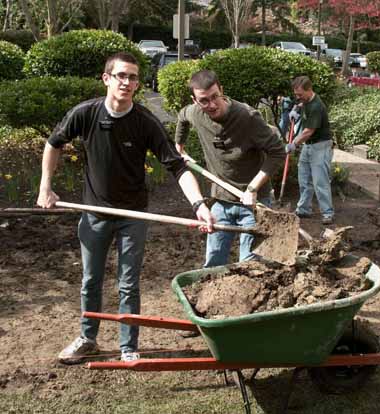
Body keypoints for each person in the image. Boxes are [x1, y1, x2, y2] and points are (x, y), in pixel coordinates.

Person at [37, 52, 214, 364]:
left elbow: (177, 167)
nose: (128, 82)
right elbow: (53, 144)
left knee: (128, 283)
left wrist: (199, 204)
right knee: (90, 280)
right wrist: (45, 186)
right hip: (94, 214)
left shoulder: (145, 122)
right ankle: (87, 338)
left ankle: (127, 346)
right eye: (121, 75)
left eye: (133, 77)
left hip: (133, 216)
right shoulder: (86, 114)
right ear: (107, 78)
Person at [175, 69, 285, 267]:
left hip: (254, 205)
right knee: (213, 263)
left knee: (250, 266)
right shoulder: (196, 113)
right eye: (204, 100)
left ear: (221, 90)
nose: (212, 104)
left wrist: (253, 188)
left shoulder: (247, 117)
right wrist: (179, 148)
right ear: (195, 100)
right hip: (221, 202)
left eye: (215, 96)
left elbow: (278, 152)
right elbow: (182, 117)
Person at [285, 76, 334, 225]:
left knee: (320, 181)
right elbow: (300, 104)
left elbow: (308, 131)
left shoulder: (316, 106)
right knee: (304, 178)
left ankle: (327, 213)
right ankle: (304, 209)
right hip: (309, 145)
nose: (297, 97)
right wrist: (296, 109)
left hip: (321, 146)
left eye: (300, 94)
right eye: (296, 94)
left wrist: (293, 143)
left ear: (309, 90)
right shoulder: (306, 101)